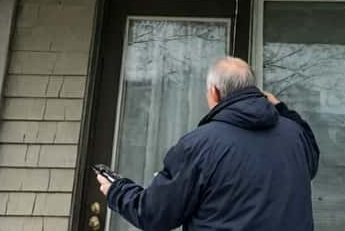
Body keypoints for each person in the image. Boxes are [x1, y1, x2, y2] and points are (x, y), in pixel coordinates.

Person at [96, 56, 320, 231]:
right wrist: (281, 108)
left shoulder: (200, 145)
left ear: (214, 92)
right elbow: (312, 155)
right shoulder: (295, 135)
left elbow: (154, 215)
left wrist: (117, 190)